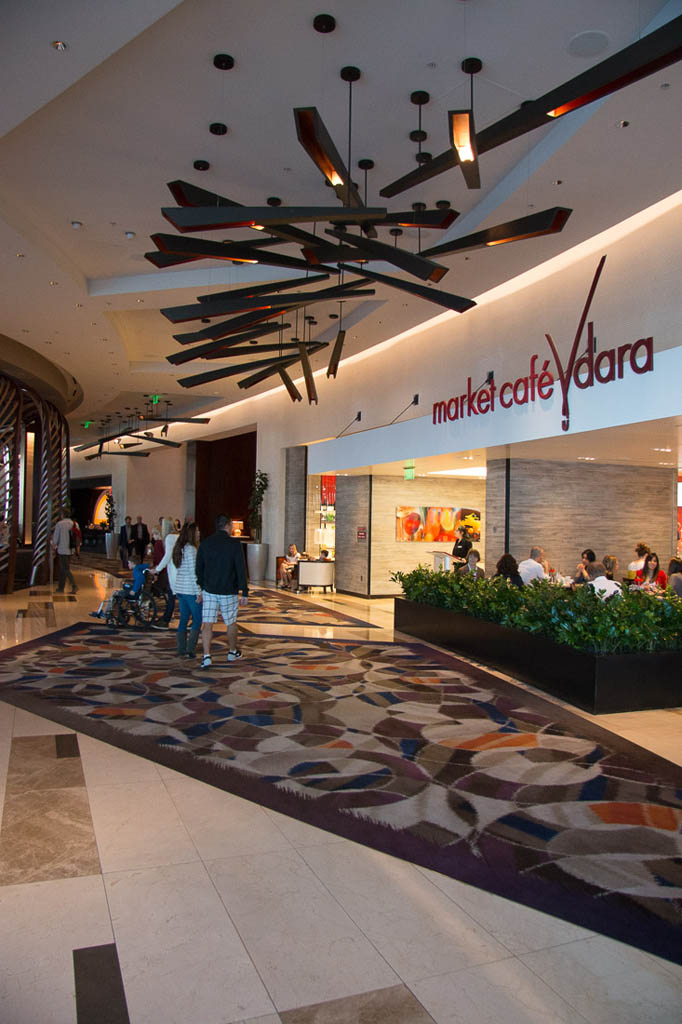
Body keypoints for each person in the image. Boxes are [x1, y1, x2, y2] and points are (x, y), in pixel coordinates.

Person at [196, 513, 248, 668]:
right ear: (227, 525)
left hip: (210, 589)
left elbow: (199, 568)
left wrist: (202, 586)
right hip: (228, 590)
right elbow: (240, 569)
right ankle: (232, 652)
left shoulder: (205, 543)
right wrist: (244, 591)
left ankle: (206, 656)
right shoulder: (234, 545)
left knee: (208, 623)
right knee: (231, 622)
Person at [171, 521, 202, 658]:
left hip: (180, 588)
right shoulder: (191, 549)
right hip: (190, 589)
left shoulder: (180, 548)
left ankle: (181, 647)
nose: (199, 533)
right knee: (197, 618)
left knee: (184, 618)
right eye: (197, 531)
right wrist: (199, 592)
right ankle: (190, 648)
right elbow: (193, 572)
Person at [153, 519, 180, 628]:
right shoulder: (177, 536)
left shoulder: (169, 537)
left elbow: (167, 556)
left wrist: (158, 569)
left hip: (174, 570)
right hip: (177, 569)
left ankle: (166, 619)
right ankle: (166, 617)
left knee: (172, 596)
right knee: (172, 596)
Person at [51, 509, 78, 594]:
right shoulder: (74, 524)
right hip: (71, 549)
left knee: (65, 568)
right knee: (62, 568)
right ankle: (60, 587)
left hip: (62, 549)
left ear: (62, 515)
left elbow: (56, 538)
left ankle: (74, 585)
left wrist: (53, 544)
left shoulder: (60, 524)